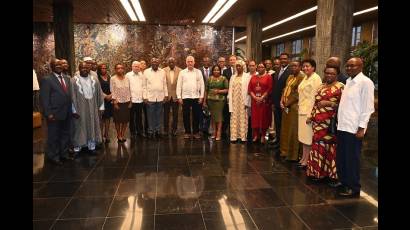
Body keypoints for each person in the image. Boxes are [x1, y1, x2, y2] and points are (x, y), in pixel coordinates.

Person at [336, 57, 374, 197]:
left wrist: (361, 128)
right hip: (343, 125)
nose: (349, 68)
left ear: (361, 66)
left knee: (352, 158)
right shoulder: (348, 81)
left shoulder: (365, 82)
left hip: (354, 128)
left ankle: (353, 187)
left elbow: (368, 108)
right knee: (342, 157)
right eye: (347, 66)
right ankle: (343, 181)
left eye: (353, 66)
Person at [306, 66, 343, 184]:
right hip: (317, 122)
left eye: (332, 73)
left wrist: (330, 103)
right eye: (327, 73)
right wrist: (311, 116)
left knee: (329, 147)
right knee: (317, 146)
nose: (329, 75)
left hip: (330, 124)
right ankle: (316, 172)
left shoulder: (341, 87)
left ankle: (329, 174)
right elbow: (315, 103)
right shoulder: (321, 86)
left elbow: (344, 106)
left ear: (337, 74)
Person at [39, 59, 73, 165]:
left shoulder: (67, 78)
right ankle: (53, 156)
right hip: (54, 113)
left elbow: (69, 95)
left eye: (59, 64)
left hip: (67, 112)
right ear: (51, 66)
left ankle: (64, 154)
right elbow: (44, 99)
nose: (58, 66)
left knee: (65, 134)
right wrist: (48, 113)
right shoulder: (47, 79)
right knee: (54, 136)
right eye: (55, 65)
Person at [71, 61, 105, 154]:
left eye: (86, 68)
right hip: (80, 109)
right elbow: (72, 96)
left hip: (93, 108)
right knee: (79, 126)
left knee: (92, 125)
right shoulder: (74, 80)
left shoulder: (95, 80)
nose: (84, 69)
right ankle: (78, 147)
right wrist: (74, 110)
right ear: (79, 69)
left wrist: (101, 107)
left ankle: (91, 146)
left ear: (89, 69)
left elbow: (100, 94)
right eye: (82, 68)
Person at [297, 59, 322, 168]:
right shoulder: (305, 78)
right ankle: (303, 157)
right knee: (303, 137)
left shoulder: (316, 78)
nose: (305, 68)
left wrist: (310, 115)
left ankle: (307, 160)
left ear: (313, 67)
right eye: (304, 66)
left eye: (308, 66)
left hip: (308, 112)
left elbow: (314, 98)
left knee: (308, 138)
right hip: (301, 110)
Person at [279, 60, 305, 161]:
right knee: (285, 129)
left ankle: (293, 155)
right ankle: (284, 151)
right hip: (286, 106)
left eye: (295, 66)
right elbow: (285, 89)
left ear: (300, 67)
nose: (293, 68)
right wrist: (282, 100)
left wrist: (287, 103)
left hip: (294, 107)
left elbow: (297, 94)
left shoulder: (302, 77)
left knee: (293, 130)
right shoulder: (290, 76)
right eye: (292, 66)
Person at [176, 55, 205, 139]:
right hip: (185, 97)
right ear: (186, 63)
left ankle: (196, 132)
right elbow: (179, 85)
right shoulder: (182, 72)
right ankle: (187, 132)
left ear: (194, 62)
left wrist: (201, 96)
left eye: (191, 61)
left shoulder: (198, 72)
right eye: (188, 61)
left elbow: (202, 85)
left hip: (196, 97)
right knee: (186, 115)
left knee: (196, 115)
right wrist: (179, 97)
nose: (190, 63)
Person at [143, 57, 168, 139]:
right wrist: (145, 97)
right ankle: (150, 131)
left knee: (159, 115)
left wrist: (166, 95)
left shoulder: (162, 72)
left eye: (156, 62)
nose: (155, 63)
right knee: (150, 115)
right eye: (153, 62)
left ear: (158, 63)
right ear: (151, 63)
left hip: (160, 97)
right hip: (150, 97)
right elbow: (144, 86)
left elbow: (165, 84)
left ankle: (158, 131)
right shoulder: (146, 72)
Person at [248, 62, 272, 144]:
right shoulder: (253, 77)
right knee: (255, 119)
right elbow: (250, 89)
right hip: (255, 102)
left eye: (262, 67)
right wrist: (255, 97)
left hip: (264, 102)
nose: (260, 68)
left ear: (265, 68)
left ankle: (263, 136)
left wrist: (262, 97)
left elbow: (269, 89)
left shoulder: (268, 77)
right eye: (259, 67)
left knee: (263, 119)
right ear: (257, 68)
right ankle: (256, 135)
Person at [228, 60, 251, 143]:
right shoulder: (233, 77)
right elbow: (230, 90)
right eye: (237, 66)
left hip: (242, 101)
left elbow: (249, 91)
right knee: (234, 118)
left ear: (243, 67)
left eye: (239, 66)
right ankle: (234, 137)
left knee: (242, 118)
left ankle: (242, 137)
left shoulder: (247, 76)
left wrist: (247, 102)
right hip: (234, 102)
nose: (238, 67)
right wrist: (230, 101)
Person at [272, 53, 291, 149]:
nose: (283, 60)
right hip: (276, 102)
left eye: (285, 59)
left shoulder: (291, 71)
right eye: (281, 58)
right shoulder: (277, 70)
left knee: (284, 124)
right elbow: (275, 87)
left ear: (288, 60)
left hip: (285, 103)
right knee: (277, 123)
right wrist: (273, 102)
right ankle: (278, 140)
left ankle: (282, 144)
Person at [203, 65, 228, 141]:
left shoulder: (224, 79)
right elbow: (206, 90)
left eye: (217, 70)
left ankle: (219, 133)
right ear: (212, 71)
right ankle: (214, 132)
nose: (216, 71)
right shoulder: (209, 79)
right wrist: (204, 101)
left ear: (220, 71)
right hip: (210, 100)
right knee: (213, 117)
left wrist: (218, 91)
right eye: (214, 70)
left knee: (219, 117)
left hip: (220, 101)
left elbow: (227, 89)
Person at [110, 63, 132, 142]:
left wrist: (130, 101)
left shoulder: (127, 78)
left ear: (123, 69)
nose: (120, 70)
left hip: (126, 102)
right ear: (115, 70)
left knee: (125, 120)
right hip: (117, 102)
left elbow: (129, 90)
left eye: (121, 68)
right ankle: (118, 135)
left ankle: (122, 134)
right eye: (118, 68)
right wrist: (115, 102)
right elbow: (112, 91)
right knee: (118, 120)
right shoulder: (113, 78)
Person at [163, 57, 181, 136]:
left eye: (172, 62)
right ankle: (166, 129)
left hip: (175, 96)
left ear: (175, 62)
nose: (171, 64)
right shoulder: (163, 71)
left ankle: (174, 129)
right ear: (168, 63)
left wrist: (179, 96)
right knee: (165, 114)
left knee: (175, 114)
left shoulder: (180, 71)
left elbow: (181, 85)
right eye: (169, 62)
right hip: (166, 96)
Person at [126, 61, 145, 138]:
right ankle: (132, 132)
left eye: (138, 66)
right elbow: (127, 88)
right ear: (132, 67)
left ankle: (140, 131)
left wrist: (144, 97)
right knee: (131, 117)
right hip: (132, 100)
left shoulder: (141, 75)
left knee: (139, 116)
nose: (137, 68)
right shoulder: (128, 75)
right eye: (135, 66)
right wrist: (129, 99)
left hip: (140, 99)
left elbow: (143, 86)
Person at [221, 55, 237, 139]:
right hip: (228, 95)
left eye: (233, 60)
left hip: (238, 96)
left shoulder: (240, 70)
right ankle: (225, 130)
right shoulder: (225, 71)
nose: (232, 61)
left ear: (236, 60)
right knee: (227, 113)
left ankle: (235, 130)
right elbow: (224, 85)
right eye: (230, 60)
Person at [97, 63, 113, 143]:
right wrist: (105, 96)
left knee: (107, 118)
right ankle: (100, 135)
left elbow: (113, 87)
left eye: (105, 68)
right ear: (99, 69)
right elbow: (98, 89)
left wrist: (111, 95)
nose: (104, 69)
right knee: (101, 118)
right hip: (101, 100)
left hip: (109, 100)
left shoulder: (109, 77)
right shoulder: (97, 77)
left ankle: (106, 134)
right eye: (102, 68)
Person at [199, 57, 212, 135]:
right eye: (205, 61)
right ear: (202, 62)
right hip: (200, 94)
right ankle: (201, 129)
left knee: (209, 113)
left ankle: (206, 129)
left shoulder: (212, 70)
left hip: (210, 95)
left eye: (208, 61)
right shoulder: (199, 71)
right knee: (200, 112)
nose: (206, 62)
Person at [140, 59, 149, 136]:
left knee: (147, 115)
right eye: (141, 63)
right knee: (139, 115)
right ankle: (139, 130)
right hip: (138, 98)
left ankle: (147, 130)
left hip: (147, 98)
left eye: (144, 63)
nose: (143, 65)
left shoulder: (148, 73)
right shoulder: (137, 73)